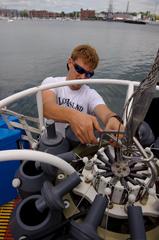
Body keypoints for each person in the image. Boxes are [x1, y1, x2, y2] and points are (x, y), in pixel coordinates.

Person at [41, 44, 124, 144]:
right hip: (52, 144)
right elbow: (46, 108)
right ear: (70, 63)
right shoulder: (52, 82)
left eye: (89, 74)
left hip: (78, 148)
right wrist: (73, 117)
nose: (83, 77)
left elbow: (104, 112)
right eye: (80, 70)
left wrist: (112, 119)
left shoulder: (90, 94)